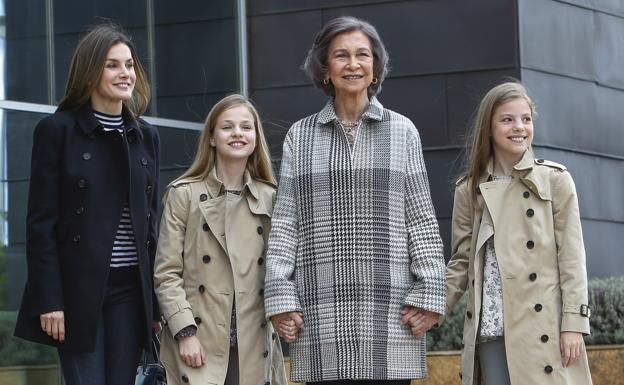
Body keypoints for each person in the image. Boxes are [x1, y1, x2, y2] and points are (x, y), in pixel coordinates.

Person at [264, 16, 446, 384]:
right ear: (325, 69)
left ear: (375, 67)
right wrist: (280, 297)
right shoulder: (300, 137)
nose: (353, 64)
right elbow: (285, 224)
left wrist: (429, 292)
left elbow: (421, 220)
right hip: (321, 316)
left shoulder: (403, 131)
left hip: (392, 316)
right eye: (341, 55)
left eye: (363, 55)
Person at [14, 23, 160, 385]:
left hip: (130, 289)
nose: (124, 73)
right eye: (112, 64)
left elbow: (151, 225)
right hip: (79, 289)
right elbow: (41, 225)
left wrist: (154, 304)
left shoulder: (145, 136)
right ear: (90, 70)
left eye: (128, 65)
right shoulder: (57, 130)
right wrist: (50, 299)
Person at [445, 81, 593, 385]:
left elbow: (572, 258)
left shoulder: (555, 180)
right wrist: (430, 307)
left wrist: (574, 323)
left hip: (544, 328)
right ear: (489, 126)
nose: (519, 127)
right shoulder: (468, 189)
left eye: (526, 119)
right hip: (492, 326)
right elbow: (461, 263)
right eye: (507, 119)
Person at [153, 94, 288, 385]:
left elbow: (283, 270)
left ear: (255, 137)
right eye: (227, 127)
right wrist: (185, 332)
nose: (237, 133)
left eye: (246, 127)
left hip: (254, 342)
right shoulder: (183, 194)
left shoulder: (272, 197)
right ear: (212, 137)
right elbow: (167, 274)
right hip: (198, 340)